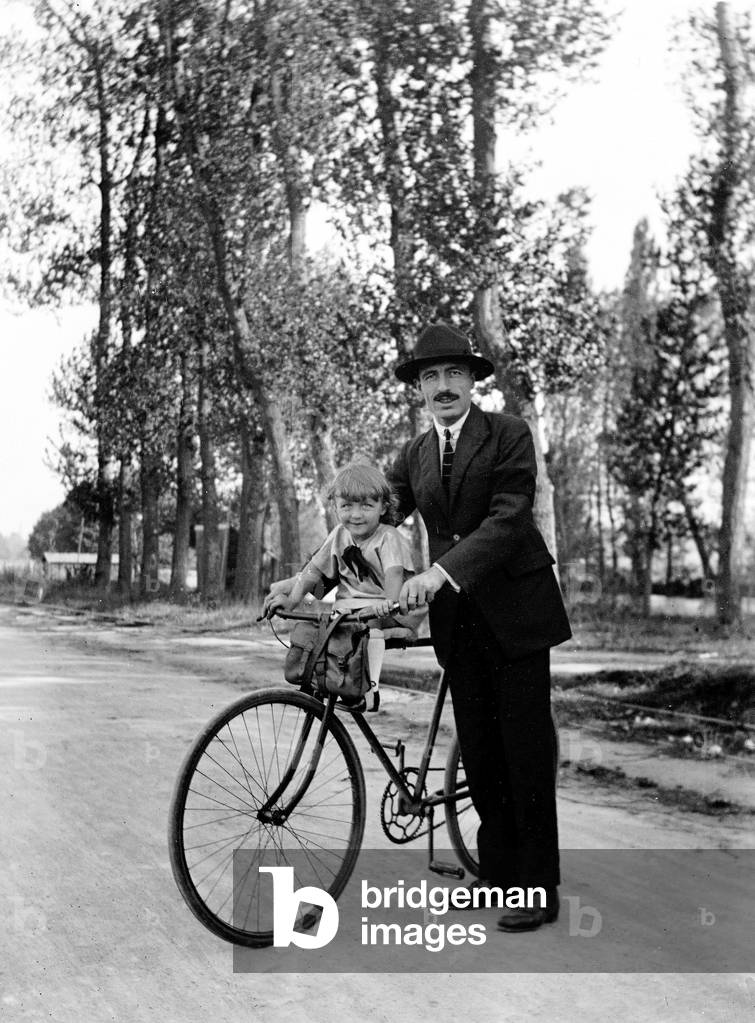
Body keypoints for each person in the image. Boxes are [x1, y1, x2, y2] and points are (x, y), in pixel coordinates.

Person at [389, 321, 572, 933]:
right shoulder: (414, 454)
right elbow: (367, 516)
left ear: (473, 382)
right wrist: (311, 577)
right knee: (484, 754)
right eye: (431, 376)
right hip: (460, 625)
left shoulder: (509, 435)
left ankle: (537, 888)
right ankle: (498, 876)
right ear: (418, 388)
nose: (444, 387)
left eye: (455, 375)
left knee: (524, 750)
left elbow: (509, 517)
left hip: (517, 615)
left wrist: (439, 573)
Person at [263, 460, 419, 694]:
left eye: (366, 506)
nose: (356, 515)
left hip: (392, 607)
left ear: (383, 508)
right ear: (335, 507)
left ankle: (370, 691)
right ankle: (330, 680)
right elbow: (313, 571)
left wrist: (390, 602)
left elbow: (394, 572)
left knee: (369, 629)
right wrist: (293, 599)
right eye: (346, 506)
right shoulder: (339, 534)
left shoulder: (388, 537)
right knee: (321, 629)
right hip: (352, 608)